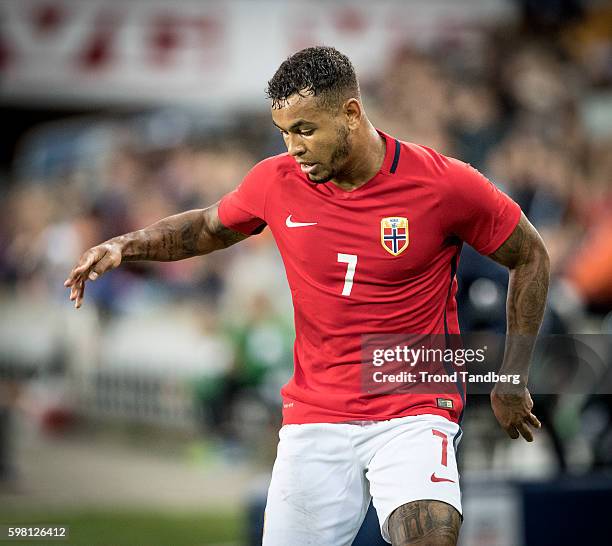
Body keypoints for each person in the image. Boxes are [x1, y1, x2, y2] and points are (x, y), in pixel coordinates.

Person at [65, 47, 550, 546]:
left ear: (351, 113)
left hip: (413, 407)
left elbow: (530, 255)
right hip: (315, 419)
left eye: (305, 129)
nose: (293, 147)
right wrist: (126, 245)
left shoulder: (443, 184)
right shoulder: (275, 181)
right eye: (284, 132)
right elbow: (207, 226)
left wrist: (512, 378)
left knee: (431, 537)